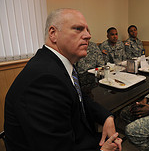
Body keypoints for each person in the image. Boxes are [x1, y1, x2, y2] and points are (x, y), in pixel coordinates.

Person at [4, 8, 122, 151]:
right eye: (78, 29)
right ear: (53, 33)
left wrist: (106, 117)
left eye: (87, 30)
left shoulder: (61, 63)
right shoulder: (44, 78)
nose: (88, 35)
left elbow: (79, 98)